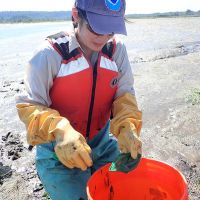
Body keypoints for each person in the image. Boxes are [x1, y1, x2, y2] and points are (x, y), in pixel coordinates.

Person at [16, 0, 142, 199]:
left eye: (111, 30)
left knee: (124, 188)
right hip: (58, 152)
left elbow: (124, 95)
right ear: (76, 16)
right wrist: (61, 131)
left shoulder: (116, 50)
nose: (104, 38)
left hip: (102, 143)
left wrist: (128, 126)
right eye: (97, 28)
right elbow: (29, 106)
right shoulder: (49, 54)